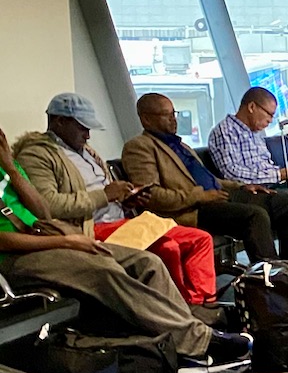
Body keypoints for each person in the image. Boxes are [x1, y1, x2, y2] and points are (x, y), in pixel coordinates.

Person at [0, 126, 251, 373]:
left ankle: (178, 347)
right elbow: (3, 241)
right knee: (103, 271)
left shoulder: (9, 167)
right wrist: (68, 242)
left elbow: (43, 213)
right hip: (16, 257)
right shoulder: (41, 155)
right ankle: (200, 342)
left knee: (146, 262)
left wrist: (10, 167)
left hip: (51, 238)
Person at [14, 93, 219, 310]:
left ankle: (203, 304)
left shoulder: (86, 151)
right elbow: (49, 206)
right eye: (82, 128)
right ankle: (183, 310)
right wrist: (106, 195)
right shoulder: (36, 155)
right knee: (167, 247)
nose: (88, 135)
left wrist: (127, 200)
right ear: (59, 121)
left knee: (200, 239)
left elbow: (109, 194)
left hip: (122, 220)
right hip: (91, 228)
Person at [123, 94, 288, 263]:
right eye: (166, 115)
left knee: (287, 202)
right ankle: (273, 278)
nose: (173, 120)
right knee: (255, 215)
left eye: (174, 114)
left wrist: (241, 187)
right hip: (192, 209)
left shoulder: (181, 145)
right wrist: (200, 196)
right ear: (146, 119)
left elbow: (209, 179)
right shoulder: (139, 147)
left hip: (218, 196)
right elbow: (151, 196)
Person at [208, 88, 288, 189]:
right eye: (269, 114)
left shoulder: (256, 133)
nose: (270, 120)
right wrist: (278, 175)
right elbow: (231, 173)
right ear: (251, 107)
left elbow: (265, 167)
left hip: (273, 186)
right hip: (252, 193)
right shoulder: (225, 132)